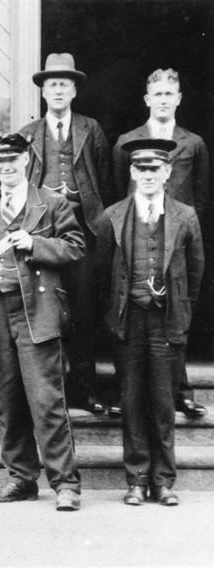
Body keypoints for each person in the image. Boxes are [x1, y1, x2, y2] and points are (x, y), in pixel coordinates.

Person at [0, 133, 84, 511]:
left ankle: (66, 485)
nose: (6, 167)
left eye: (13, 160)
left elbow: (76, 247)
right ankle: (20, 479)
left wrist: (36, 245)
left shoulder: (51, 203)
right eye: (0, 162)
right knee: (8, 400)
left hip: (36, 312)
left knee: (46, 400)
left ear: (27, 162)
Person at [97, 138, 204, 506]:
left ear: (167, 172)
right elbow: (101, 276)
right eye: (140, 169)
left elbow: (195, 273)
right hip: (129, 321)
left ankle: (164, 481)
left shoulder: (185, 216)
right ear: (131, 172)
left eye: (154, 169)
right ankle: (137, 480)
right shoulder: (111, 216)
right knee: (132, 401)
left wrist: (182, 315)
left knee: (162, 403)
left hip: (166, 321)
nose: (147, 176)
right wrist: (113, 317)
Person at [19, 53, 113, 414]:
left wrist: (97, 220)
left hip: (83, 232)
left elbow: (104, 181)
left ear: (74, 90)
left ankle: (84, 389)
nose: (58, 90)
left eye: (64, 84)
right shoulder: (29, 134)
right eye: (52, 84)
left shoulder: (91, 130)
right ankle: (48, 391)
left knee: (83, 308)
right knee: (46, 310)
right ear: (43, 91)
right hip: (45, 233)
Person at [112, 69, 209, 419]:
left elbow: (200, 195)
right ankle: (127, 395)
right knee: (133, 317)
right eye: (158, 94)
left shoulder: (193, 142)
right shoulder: (128, 140)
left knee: (174, 312)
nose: (164, 99)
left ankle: (180, 392)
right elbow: (118, 190)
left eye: (171, 93)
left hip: (175, 237)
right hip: (138, 236)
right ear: (147, 99)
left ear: (179, 98)